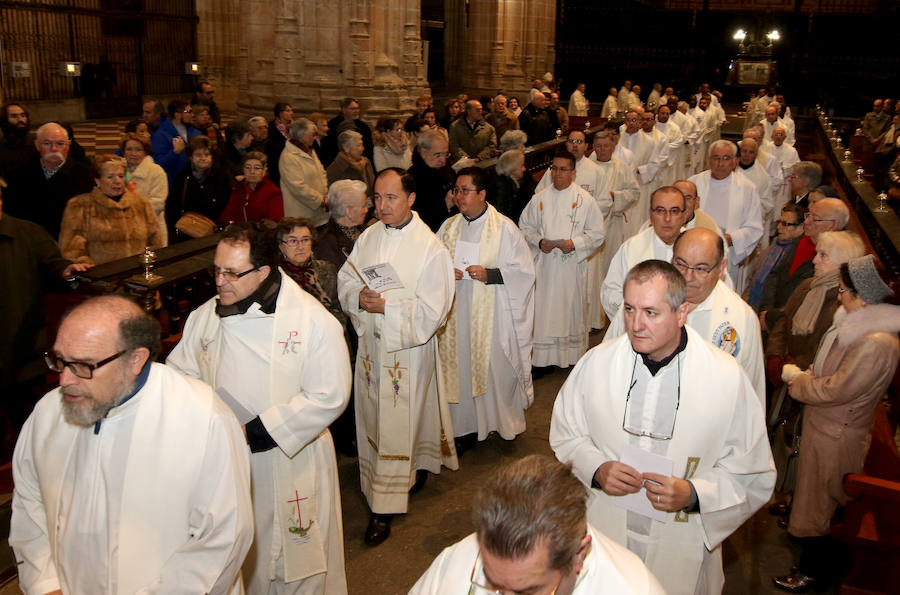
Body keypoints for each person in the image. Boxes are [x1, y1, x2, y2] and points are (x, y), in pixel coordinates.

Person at [550, 259, 775, 595]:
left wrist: (695, 494)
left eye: (650, 312)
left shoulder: (725, 378)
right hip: (606, 528)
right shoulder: (597, 364)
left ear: (681, 313)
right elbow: (566, 433)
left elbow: (752, 472)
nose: (635, 324)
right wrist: (597, 469)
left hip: (679, 539)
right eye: (629, 309)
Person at [12, 295, 254, 594]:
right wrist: (45, 584)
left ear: (135, 359)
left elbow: (223, 538)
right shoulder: (49, 413)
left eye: (83, 365)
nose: (64, 379)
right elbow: (28, 503)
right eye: (60, 360)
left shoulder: (203, 418)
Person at [167, 223, 350, 594]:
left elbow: (329, 395)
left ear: (264, 271)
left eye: (232, 272)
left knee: (295, 565)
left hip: (287, 457)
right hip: (225, 461)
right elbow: (180, 373)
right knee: (239, 559)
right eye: (216, 270)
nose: (220, 281)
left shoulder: (310, 320)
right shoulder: (206, 316)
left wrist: (257, 431)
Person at [337, 168, 458, 546]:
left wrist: (387, 307)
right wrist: (358, 297)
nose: (382, 205)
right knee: (375, 416)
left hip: (408, 351)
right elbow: (346, 277)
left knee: (399, 417)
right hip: (372, 350)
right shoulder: (369, 236)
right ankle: (408, 470)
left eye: (391, 197)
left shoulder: (430, 248)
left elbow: (435, 309)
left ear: (411, 199)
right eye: (377, 197)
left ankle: (384, 505)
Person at [774, 255, 900, 592]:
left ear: (862, 298)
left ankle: (815, 574)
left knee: (819, 512)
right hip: (826, 428)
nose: (840, 297)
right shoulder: (864, 331)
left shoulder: (875, 343)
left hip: (835, 435)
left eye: (844, 291)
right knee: (813, 505)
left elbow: (838, 389)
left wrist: (797, 382)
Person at [410, 455, 665, 595]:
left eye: (528, 594)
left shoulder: (634, 588)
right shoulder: (457, 560)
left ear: (579, 555)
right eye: (492, 583)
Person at [436, 167, 535, 449]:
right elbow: (431, 262)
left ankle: (502, 422)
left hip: (491, 312)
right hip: (457, 311)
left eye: (465, 190)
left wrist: (490, 274)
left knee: (494, 369)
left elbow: (524, 271)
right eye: (456, 190)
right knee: (460, 365)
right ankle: (465, 425)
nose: (459, 196)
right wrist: (446, 271)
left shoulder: (503, 228)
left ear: (482, 194)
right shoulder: (448, 227)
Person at [518, 151, 605, 370]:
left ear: (573, 173)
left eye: (563, 169)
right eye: (554, 168)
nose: (557, 174)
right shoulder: (539, 198)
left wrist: (574, 243)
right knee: (543, 311)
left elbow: (597, 234)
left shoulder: (585, 201)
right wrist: (538, 242)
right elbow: (524, 227)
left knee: (568, 310)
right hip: (544, 267)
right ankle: (541, 361)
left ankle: (567, 357)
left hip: (570, 268)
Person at [765, 230, 866, 389]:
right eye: (816, 253)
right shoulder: (807, 286)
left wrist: (790, 366)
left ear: (843, 262)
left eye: (823, 255)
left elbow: (823, 349)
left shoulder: (845, 302)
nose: (814, 260)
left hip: (809, 380)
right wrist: (774, 356)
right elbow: (784, 321)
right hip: (783, 373)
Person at [759, 198, 850, 330]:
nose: (806, 222)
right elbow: (775, 274)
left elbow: (809, 302)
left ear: (833, 225)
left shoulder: (837, 259)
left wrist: (772, 317)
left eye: (815, 218)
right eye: (809, 215)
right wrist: (766, 310)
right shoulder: (801, 241)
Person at [600, 186, 687, 320]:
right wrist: (638, 314)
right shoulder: (631, 248)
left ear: (684, 216)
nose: (667, 218)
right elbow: (611, 291)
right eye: (660, 210)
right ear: (650, 216)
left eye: (674, 211)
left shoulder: (697, 248)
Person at [689, 140, 763, 293]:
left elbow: (754, 226)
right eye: (716, 158)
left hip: (726, 252)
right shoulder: (694, 183)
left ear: (735, 161)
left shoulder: (747, 188)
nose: (720, 163)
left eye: (726, 158)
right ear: (709, 160)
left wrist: (731, 238)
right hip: (693, 250)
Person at [59, 154, 161, 265]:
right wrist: (90, 269)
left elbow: (155, 241)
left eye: (121, 176)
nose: (117, 181)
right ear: (97, 180)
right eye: (110, 177)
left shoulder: (141, 203)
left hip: (138, 275)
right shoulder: (80, 206)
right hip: (100, 277)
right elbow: (72, 250)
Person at [585, 131, 640, 329]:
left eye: (606, 146)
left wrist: (613, 196)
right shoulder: (585, 167)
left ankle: (603, 313)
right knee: (589, 272)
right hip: (586, 227)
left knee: (607, 268)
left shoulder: (621, 168)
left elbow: (634, 192)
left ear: (613, 147)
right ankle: (588, 315)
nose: (601, 150)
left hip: (612, 225)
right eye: (598, 146)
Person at [2, 122, 94, 239]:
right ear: (37, 145)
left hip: (72, 242)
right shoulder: (20, 175)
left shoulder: (84, 175)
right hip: (31, 240)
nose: (54, 149)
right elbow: (12, 214)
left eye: (60, 144)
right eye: (47, 143)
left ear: (68, 145)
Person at [276, 216, 344, 326]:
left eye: (305, 240)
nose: (300, 247)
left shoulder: (327, 269)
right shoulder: (276, 277)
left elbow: (340, 309)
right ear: (281, 245)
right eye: (293, 241)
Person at [166, 136, 232, 240]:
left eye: (207, 155)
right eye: (198, 155)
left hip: (213, 232)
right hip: (185, 233)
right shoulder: (182, 177)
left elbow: (227, 204)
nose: (203, 158)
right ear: (191, 157)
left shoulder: (222, 176)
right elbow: (172, 206)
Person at [744, 203, 807, 310]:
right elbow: (755, 276)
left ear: (801, 228)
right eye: (779, 222)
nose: (779, 227)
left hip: (772, 307)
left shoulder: (797, 253)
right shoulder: (774, 245)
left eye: (785, 224)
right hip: (753, 302)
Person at [121, 132, 169, 245]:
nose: (133, 153)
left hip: (150, 228)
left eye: (138, 150)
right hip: (123, 229)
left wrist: (129, 208)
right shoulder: (118, 170)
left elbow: (158, 204)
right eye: (129, 149)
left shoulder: (156, 171)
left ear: (145, 152)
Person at [279, 118, 329, 227]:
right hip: (301, 215)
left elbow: (322, 173)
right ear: (302, 135)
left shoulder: (310, 150)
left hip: (319, 213)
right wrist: (320, 200)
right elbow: (297, 187)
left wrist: (325, 194)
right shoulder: (289, 157)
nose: (315, 137)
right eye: (313, 134)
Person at [409, 127, 456, 232]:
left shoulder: (447, 169)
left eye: (445, 154)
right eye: (438, 155)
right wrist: (446, 205)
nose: (443, 160)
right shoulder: (413, 178)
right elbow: (418, 218)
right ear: (424, 153)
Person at [315, 179, 369, 271]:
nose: (366, 210)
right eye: (363, 206)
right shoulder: (326, 245)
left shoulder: (367, 231)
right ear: (349, 211)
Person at [218, 151, 284, 224]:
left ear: (264, 170)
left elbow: (273, 222)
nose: (252, 171)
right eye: (248, 167)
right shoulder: (239, 188)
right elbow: (227, 214)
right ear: (243, 169)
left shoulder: (273, 192)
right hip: (237, 232)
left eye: (257, 168)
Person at [151, 99, 201, 186]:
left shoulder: (195, 133)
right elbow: (158, 165)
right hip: (174, 184)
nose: (192, 115)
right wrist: (174, 153)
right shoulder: (161, 135)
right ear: (177, 115)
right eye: (188, 112)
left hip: (196, 180)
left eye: (191, 112)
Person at [322, 97, 374, 166]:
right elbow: (328, 148)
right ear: (343, 110)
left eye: (357, 108)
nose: (356, 111)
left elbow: (368, 149)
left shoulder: (364, 127)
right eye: (352, 109)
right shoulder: (332, 126)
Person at [326, 129, 376, 197]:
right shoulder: (335, 169)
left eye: (362, 145)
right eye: (358, 145)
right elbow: (334, 196)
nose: (363, 148)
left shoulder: (366, 162)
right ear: (346, 148)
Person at [0, 102, 37, 179]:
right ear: (4, 120)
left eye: (23, 115)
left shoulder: (37, 142)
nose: (20, 120)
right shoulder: (1, 146)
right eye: (14, 116)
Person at [488, 149, 526, 221]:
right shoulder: (503, 186)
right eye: (522, 166)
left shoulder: (512, 182)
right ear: (513, 168)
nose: (524, 169)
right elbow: (501, 214)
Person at [265, 102, 293, 186]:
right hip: (276, 164)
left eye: (291, 110)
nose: (291, 113)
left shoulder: (291, 127)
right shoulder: (271, 127)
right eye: (288, 111)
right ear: (280, 113)